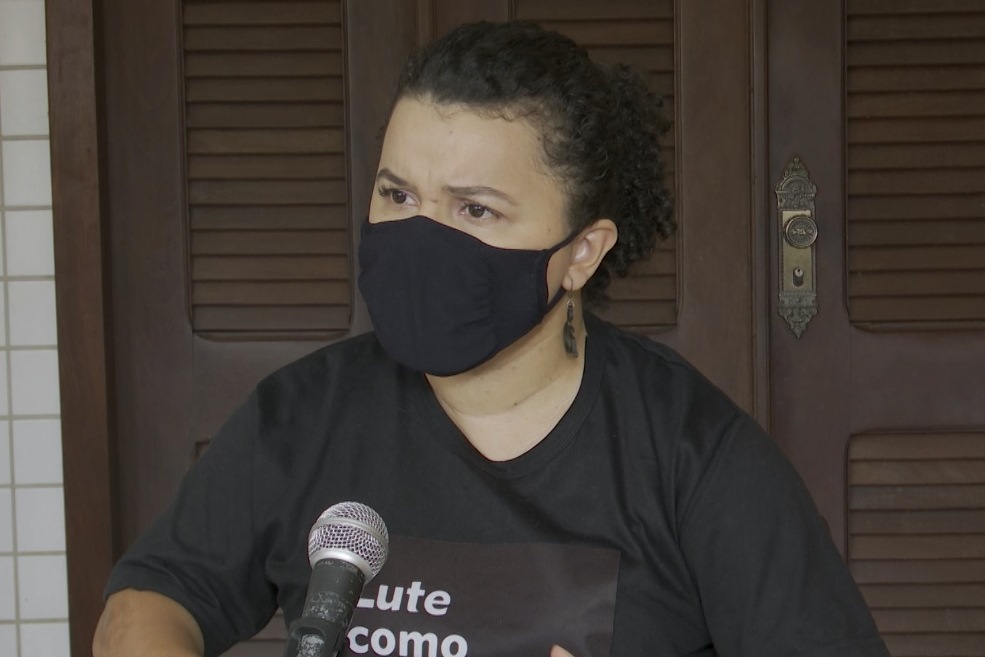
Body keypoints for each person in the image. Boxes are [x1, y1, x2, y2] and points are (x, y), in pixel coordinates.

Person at [94, 21, 888, 657]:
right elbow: (149, 603)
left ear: (581, 252)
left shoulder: (692, 453)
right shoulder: (301, 418)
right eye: (398, 194)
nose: (421, 236)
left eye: (474, 209)